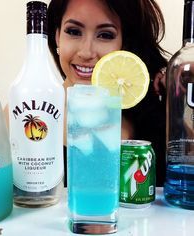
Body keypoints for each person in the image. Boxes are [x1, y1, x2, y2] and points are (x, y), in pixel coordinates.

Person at [47, 0, 167, 186]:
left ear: (123, 44)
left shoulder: (153, 115)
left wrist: (180, 98)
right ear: (57, 37)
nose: (86, 52)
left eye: (105, 35)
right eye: (73, 32)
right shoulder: (26, 110)